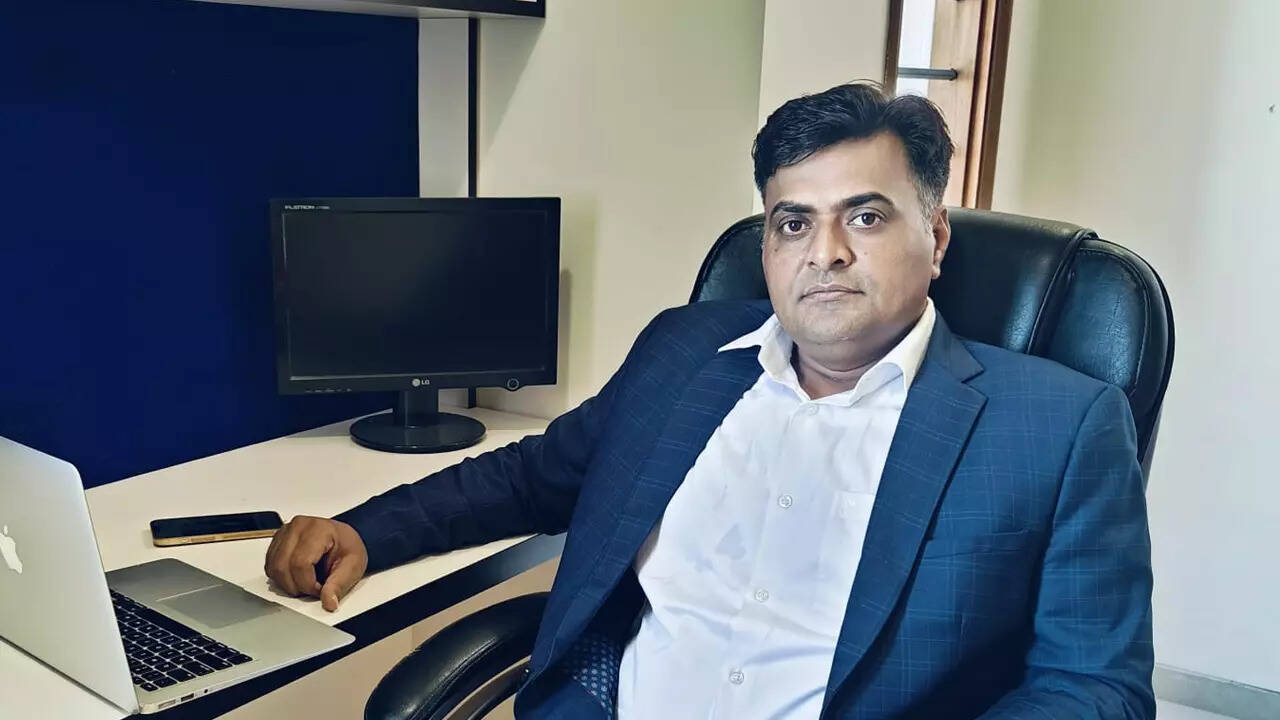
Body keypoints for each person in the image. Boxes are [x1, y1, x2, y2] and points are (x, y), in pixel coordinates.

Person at [264, 82, 1154, 719]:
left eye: (867, 216)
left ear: (936, 237)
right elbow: (535, 475)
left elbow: (1095, 686)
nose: (826, 252)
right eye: (793, 222)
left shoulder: (1059, 427)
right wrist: (369, 531)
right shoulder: (686, 352)